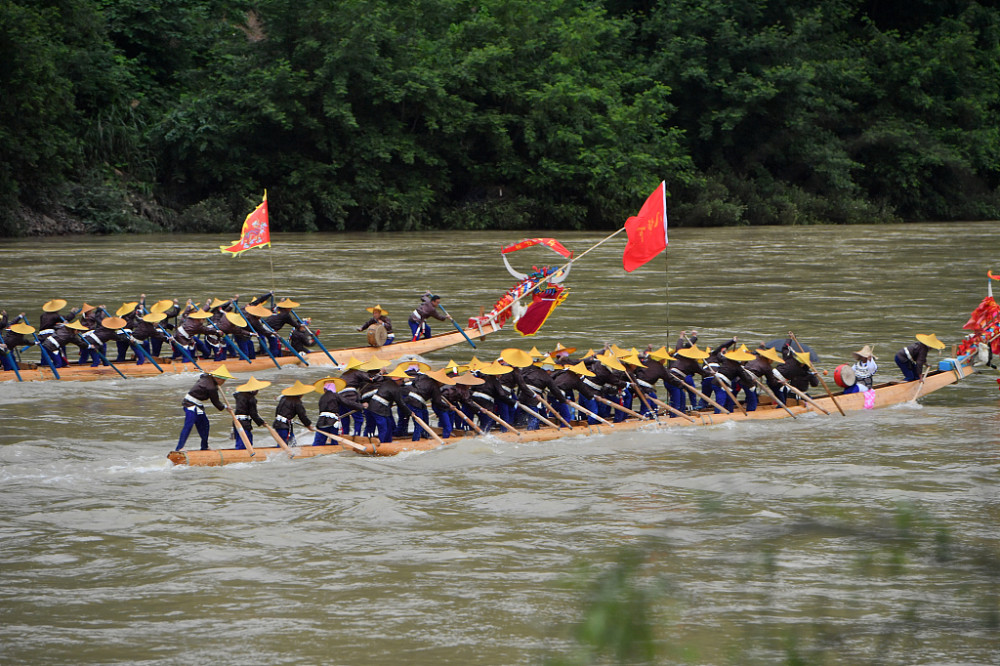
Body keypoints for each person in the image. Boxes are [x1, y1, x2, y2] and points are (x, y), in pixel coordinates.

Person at [176, 365, 235, 451]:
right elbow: (215, 401)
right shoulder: (211, 387)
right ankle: (179, 448)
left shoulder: (207, 377)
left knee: (205, 425)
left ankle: (204, 446)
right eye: (224, 380)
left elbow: (203, 375)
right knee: (188, 425)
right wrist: (225, 407)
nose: (224, 382)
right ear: (218, 379)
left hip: (198, 405)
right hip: (189, 404)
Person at [312, 376, 362, 445]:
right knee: (334, 441)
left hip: (321, 422)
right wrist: (360, 406)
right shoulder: (335, 395)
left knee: (319, 441)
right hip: (332, 422)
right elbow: (347, 403)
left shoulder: (322, 398)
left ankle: (315, 449)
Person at [233, 377, 270, 449]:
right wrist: (261, 422)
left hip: (236, 422)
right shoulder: (251, 399)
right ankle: (241, 455)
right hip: (244, 423)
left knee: (243, 440)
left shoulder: (239, 395)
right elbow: (253, 414)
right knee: (245, 443)